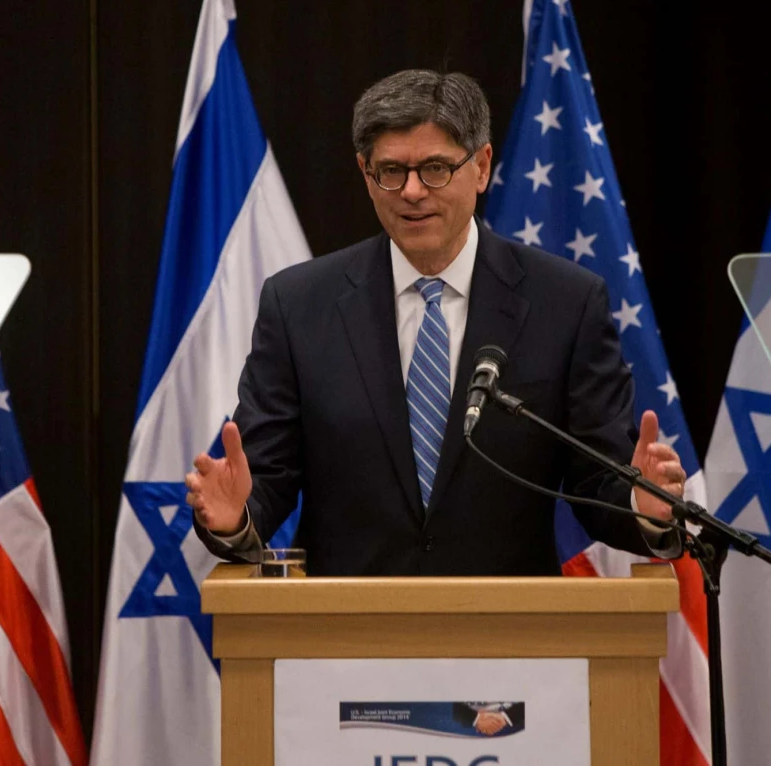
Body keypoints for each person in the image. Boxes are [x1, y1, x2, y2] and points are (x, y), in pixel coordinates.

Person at [186, 69, 685, 576]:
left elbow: (598, 483)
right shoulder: (298, 306)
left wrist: (640, 507)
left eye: (435, 169)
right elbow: (264, 479)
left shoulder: (566, 304)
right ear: (365, 172)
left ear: (482, 166)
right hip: (343, 639)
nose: (412, 191)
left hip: (515, 637)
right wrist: (233, 519)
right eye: (391, 171)